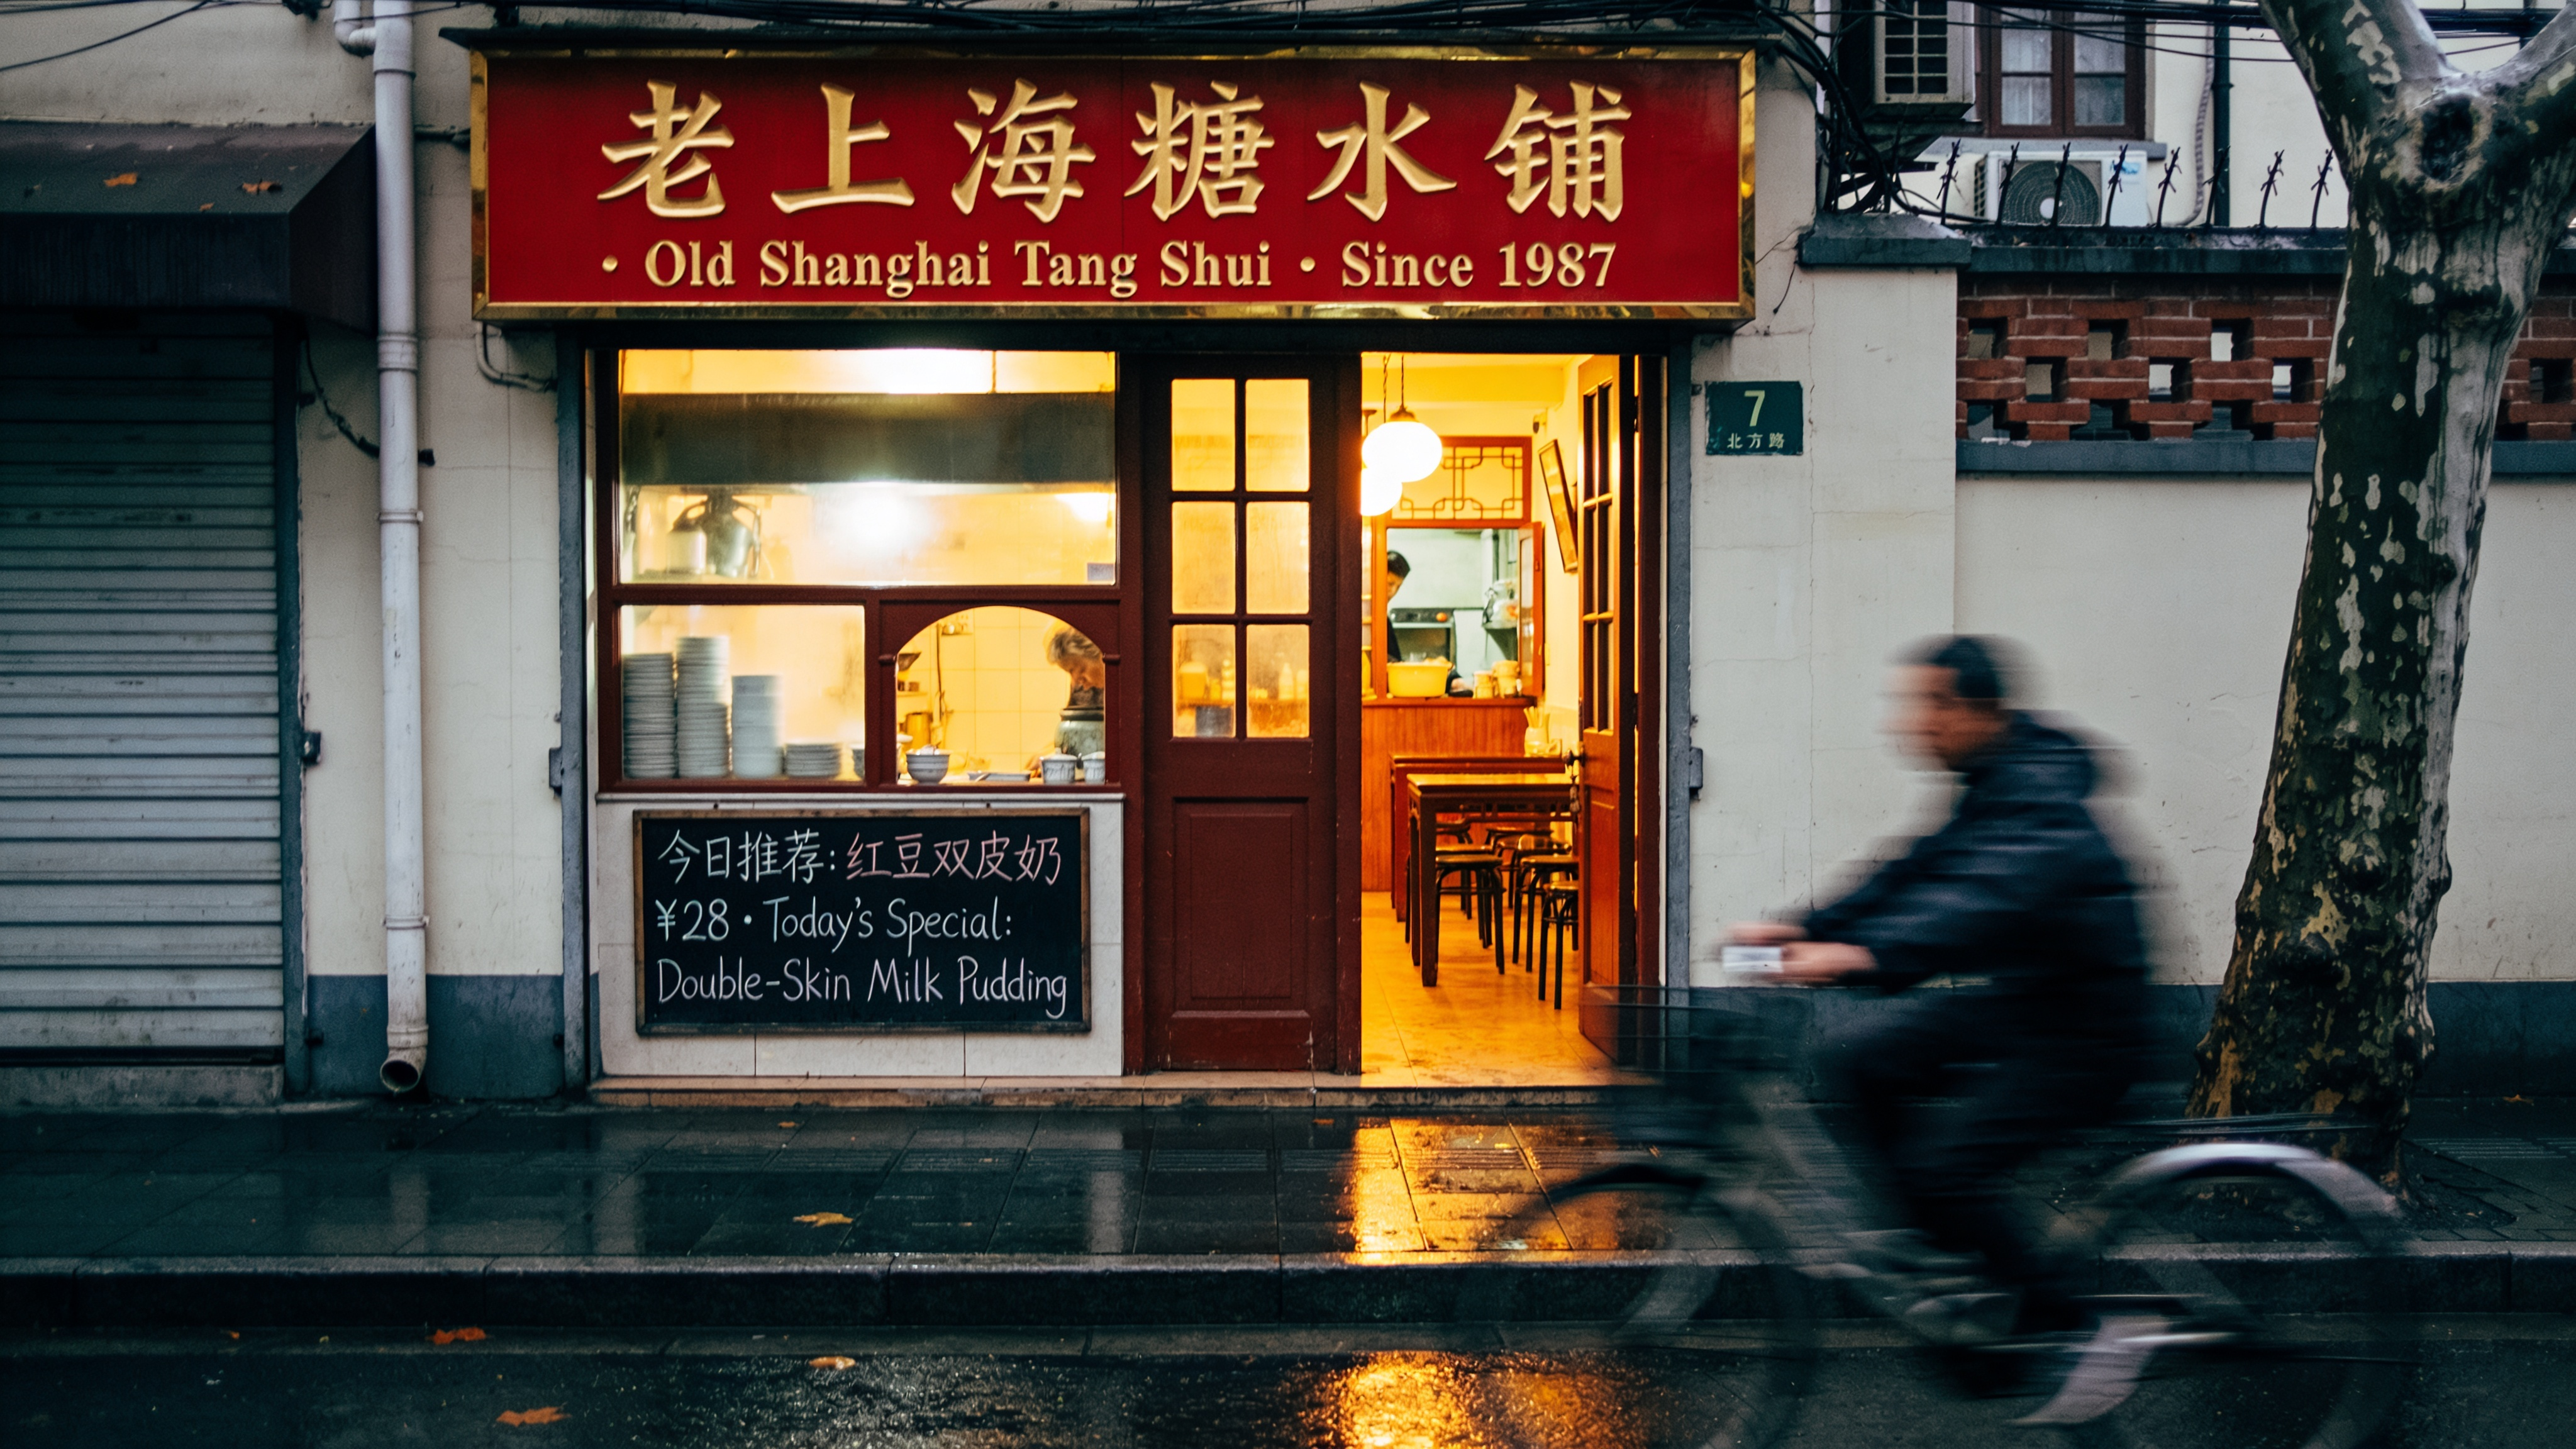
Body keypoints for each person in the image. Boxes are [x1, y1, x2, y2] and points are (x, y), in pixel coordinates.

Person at [1731, 635, 2151, 1356]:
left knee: (1943, 1169)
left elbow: (1979, 901)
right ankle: (1939, 1252)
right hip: (2028, 1003)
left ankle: (2061, 1330)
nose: (1912, 724)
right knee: (1860, 1061)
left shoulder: (2038, 797)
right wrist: (1800, 927)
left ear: (1978, 708)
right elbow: (1912, 872)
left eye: (1930, 705)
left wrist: (1864, 954)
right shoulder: (1994, 778)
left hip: (2087, 1033)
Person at [1380, 550, 1464, 695]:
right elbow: (1384, 661)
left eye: (1398, 586)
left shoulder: (1383, 617)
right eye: (1390, 583)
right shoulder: (1369, 617)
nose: (1393, 591)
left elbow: (1393, 662)